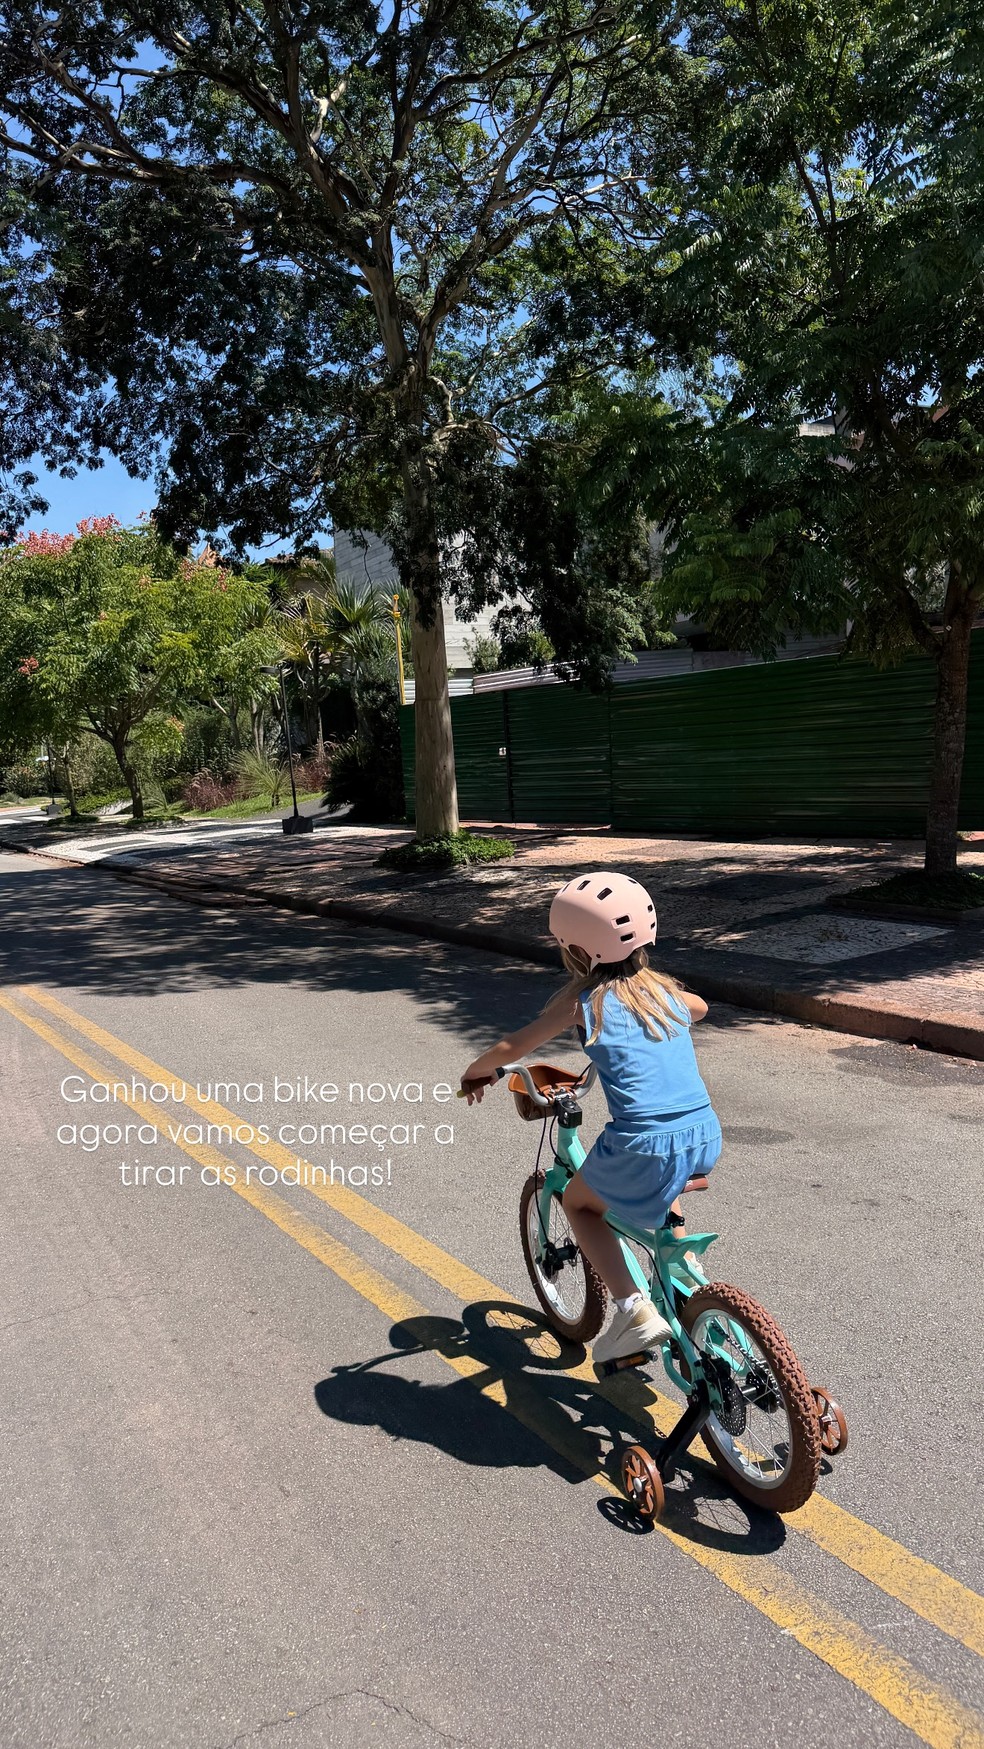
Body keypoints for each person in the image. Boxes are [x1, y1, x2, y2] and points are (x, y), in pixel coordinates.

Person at [460, 870, 722, 1364]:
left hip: (642, 1142)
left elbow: (512, 1047)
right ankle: (681, 1266)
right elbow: (700, 1007)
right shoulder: (666, 994)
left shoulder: (585, 1004)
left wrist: (475, 1074)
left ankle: (633, 1309)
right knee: (663, 1185)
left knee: (581, 1204)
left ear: (576, 952)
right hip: (704, 1133)